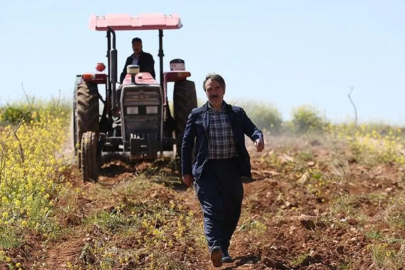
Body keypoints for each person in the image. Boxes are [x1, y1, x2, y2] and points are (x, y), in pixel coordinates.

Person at [181, 73, 265, 267]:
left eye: (216, 88)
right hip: (206, 170)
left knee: (232, 209)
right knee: (211, 210)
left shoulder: (236, 113)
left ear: (224, 90)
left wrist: (257, 138)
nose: (213, 93)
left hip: (231, 168)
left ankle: (223, 248)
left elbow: (252, 129)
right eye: (209, 90)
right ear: (205, 93)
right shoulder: (197, 115)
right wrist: (186, 171)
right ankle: (214, 247)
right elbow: (186, 144)